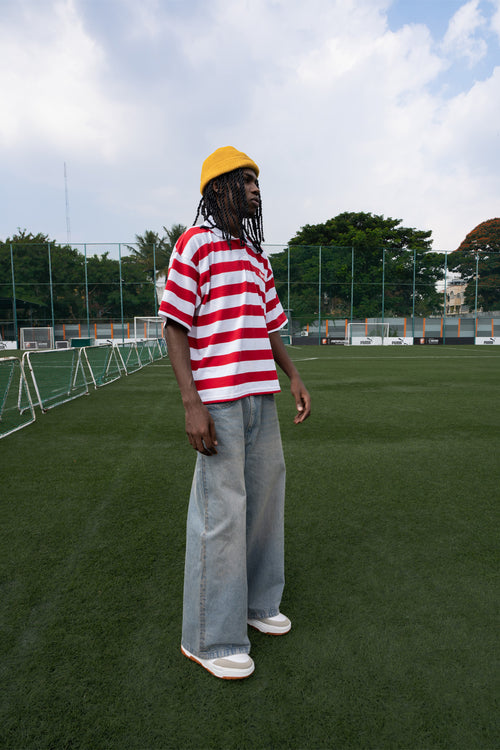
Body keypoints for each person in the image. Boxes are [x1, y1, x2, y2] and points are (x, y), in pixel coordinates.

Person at [159, 146, 311, 680]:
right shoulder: (193, 245)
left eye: (256, 181)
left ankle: (258, 605)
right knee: (221, 515)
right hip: (218, 402)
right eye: (244, 179)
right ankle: (209, 637)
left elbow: (270, 329)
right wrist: (191, 402)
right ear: (216, 188)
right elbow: (175, 326)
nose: (254, 188)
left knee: (265, 503)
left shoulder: (256, 258)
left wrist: (292, 375)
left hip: (260, 397)